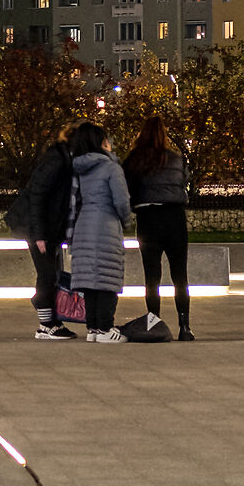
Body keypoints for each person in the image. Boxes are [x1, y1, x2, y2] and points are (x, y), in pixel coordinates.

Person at [123, 111, 193, 340]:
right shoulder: (175, 158)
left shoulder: (135, 158)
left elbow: (127, 186)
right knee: (179, 274)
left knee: (152, 275)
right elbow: (184, 180)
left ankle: (154, 322)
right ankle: (185, 326)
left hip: (148, 217)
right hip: (174, 216)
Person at [5, 128, 78, 338]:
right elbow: (37, 197)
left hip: (47, 228)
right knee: (46, 274)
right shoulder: (56, 161)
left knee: (52, 274)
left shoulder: (64, 159)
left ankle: (51, 318)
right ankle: (45, 324)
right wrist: (39, 235)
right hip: (36, 227)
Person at [65, 122, 133, 343]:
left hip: (84, 225)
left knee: (90, 281)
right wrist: (127, 220)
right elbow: (121, 201)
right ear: (100, 142)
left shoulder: (79, 168)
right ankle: (105, 328)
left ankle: (93, 328)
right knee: (107, 279)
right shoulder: (111, 168)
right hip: (106, 226)